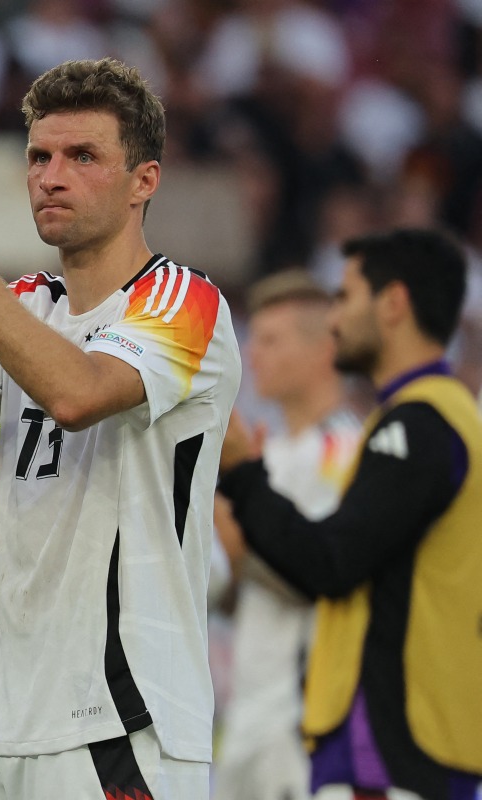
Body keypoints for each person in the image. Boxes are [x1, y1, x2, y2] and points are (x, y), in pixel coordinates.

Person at [0, 57, 241, 798]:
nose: (50, 176)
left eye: (82, 156)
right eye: (39, 156)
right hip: (7, 724)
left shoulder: (184, 302)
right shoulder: (28, 302)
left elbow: (78, 392)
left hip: (122, 722)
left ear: (145, 181)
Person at [218, 228, 482, 800]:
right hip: (380, 746)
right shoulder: (421, 420)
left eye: (346, 296)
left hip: (393, 748)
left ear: (392, 305)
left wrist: (241, 478)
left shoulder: (423, 424)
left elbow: (331, 563)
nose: (334, 318)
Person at [212, 271, 360, 800]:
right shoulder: (266, 456)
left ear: (323, 349)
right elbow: (234, 593)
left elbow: (317, 574)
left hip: (304, 721)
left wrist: (238, 530)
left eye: (271, 341)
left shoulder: (347, 452)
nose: (254, 357)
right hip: (248, 711)